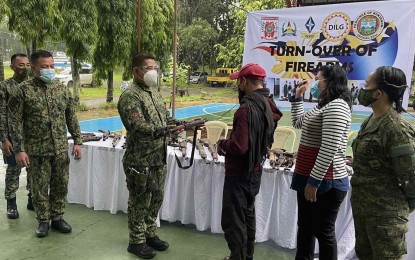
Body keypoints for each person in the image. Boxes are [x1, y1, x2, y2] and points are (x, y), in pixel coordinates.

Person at [8, 50, 82, 237]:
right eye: (44, 67)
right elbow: (14, 122)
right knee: (39, 187)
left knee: (60, 185)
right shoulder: (22, 90)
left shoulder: (61, 88)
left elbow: (71, 116)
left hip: (59, 148)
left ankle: (57, 217)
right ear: (34, 69)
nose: (49, 69)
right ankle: (43, 221)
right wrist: (19, 150)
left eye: (52, 66)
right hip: (36, 150)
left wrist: (77, 141)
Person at [217, 63, 283, 260]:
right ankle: (246, 256)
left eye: (239, 81)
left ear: (244, 82)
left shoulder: (246, 109)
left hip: (238, 174)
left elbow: (240, 146)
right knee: (247, 218)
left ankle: (238, 256)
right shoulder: (268, 105)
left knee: (234, 222)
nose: (237, 84)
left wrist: (223, 144)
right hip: (254, 171)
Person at [351, 66, 415, 260]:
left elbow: (412, 177)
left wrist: (399, 209)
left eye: (366, 85)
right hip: (364, 211)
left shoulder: (396, 128)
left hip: (386, 217)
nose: (363, 90)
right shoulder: (371, 120)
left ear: (378, 93)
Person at [290, 65, 352, 260]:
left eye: (319, 79)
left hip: (326, 180)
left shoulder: (338, 106)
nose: (316, 83)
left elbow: (329, 148)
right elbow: (298, 122)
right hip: (310, 176)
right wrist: (298, 97)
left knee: (322, 231)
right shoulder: (324, 105)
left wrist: (313, 182)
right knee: (305, 228)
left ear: (329, 83)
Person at [118, 52, 170, 259]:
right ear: (137, 71)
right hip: (140, 158)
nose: (153, 72)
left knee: (156, 197)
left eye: (155, 68)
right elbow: (136, 125)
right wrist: (162, 131)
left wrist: (174, 125)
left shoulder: (154, 92)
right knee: (140, 199)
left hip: (158, 156)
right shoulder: (131, 95)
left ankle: (150, 234)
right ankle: (136, 240)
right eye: (149, 68)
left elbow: (164, 118)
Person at [0, 53, 32, 219]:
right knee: (13, 170)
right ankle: (11, 203)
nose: (24, 68)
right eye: (21, 65)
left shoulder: (33, 85)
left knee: (34, 168)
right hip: (12, 137)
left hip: (34, 137)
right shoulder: (5, 87)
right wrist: (3, 139)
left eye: (27, 65)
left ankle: (32, 198)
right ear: (12, 67)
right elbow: (1, 114)